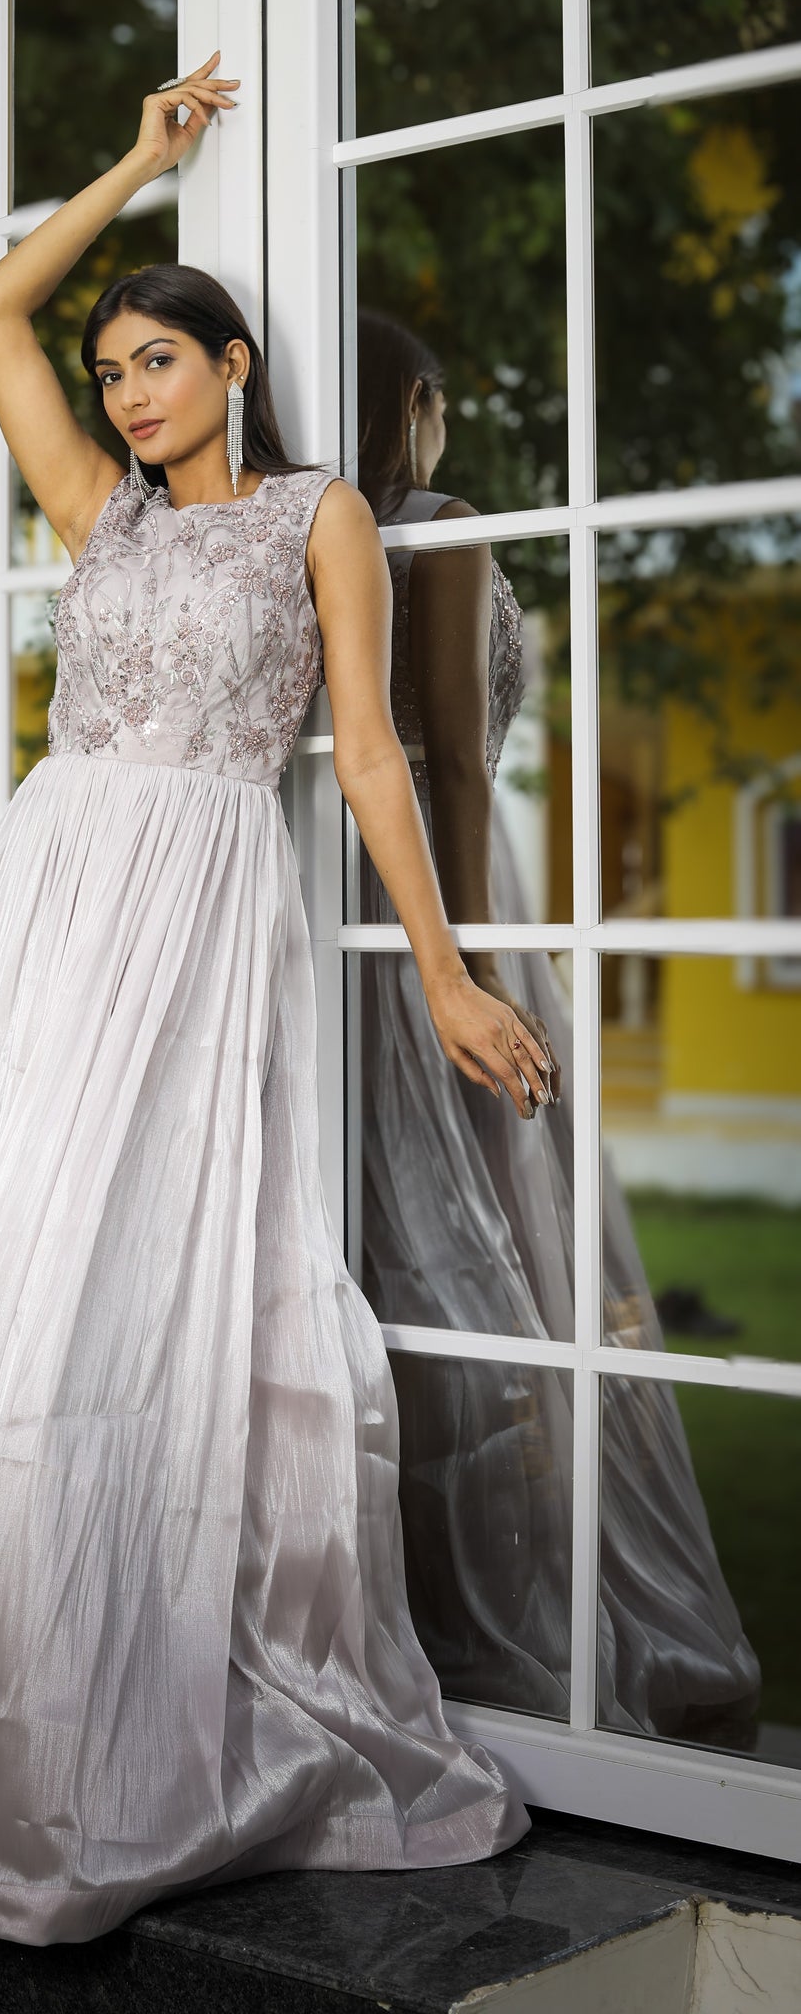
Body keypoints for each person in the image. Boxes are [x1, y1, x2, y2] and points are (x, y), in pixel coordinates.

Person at [0, 59, 539, 1948]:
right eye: (112, 374)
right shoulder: (103, 516)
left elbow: (376, 764)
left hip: (207, 898)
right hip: (50, 901)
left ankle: (139, 1692)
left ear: (231, 366)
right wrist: (133, 166)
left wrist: (442, 965)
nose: (122, 393)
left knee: (166, 1269)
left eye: (154, 360)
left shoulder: (317, 516)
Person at [353, 307, 760, 1748]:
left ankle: (402, 1614)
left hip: (332, 897)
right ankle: (502, 1626)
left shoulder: (305, 530)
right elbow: (455, 763)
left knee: (388, 1251)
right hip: (433, 904)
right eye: (443, 407)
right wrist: (461, 964)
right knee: (488, 1255)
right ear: (416, 403)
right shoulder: (433, 522)